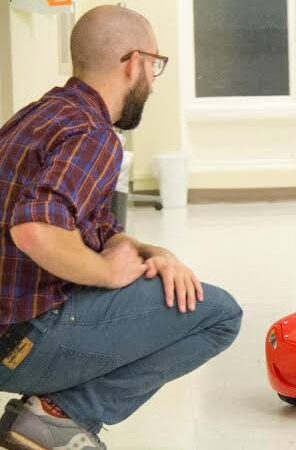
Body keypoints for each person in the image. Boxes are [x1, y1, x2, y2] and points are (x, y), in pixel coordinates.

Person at [0, 5, 242, 449]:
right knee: (219, 315)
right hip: (19, 341)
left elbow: (94, 224)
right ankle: (60, 416)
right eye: (155, 66)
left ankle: (48, 415)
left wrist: (154, 255)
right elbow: (34, 229)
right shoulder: (92, 134)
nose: (152, 80)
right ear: (134, 63)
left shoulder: (37, 116)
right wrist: (109, 273)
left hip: (9, 330)